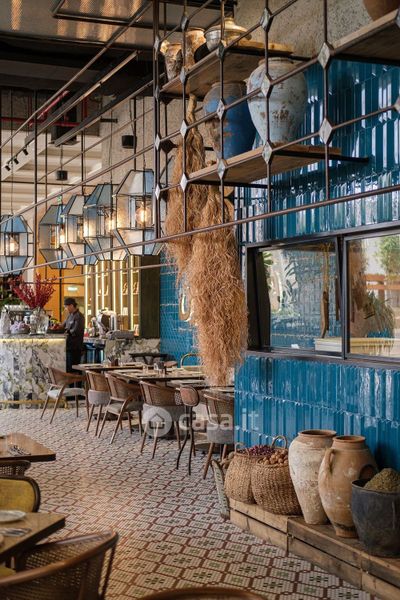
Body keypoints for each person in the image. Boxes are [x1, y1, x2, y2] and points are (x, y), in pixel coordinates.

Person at [62, 297, 85, 373]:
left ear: (71, 305)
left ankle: (77, 381)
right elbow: (63, 326)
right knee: (69, 369)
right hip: (69, 347)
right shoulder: (69, 316)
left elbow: (76, 331)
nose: (66, 309)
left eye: (66, 306)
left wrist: (67, 331)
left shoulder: (79, 316)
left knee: (74, 369)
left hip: (75, 347)